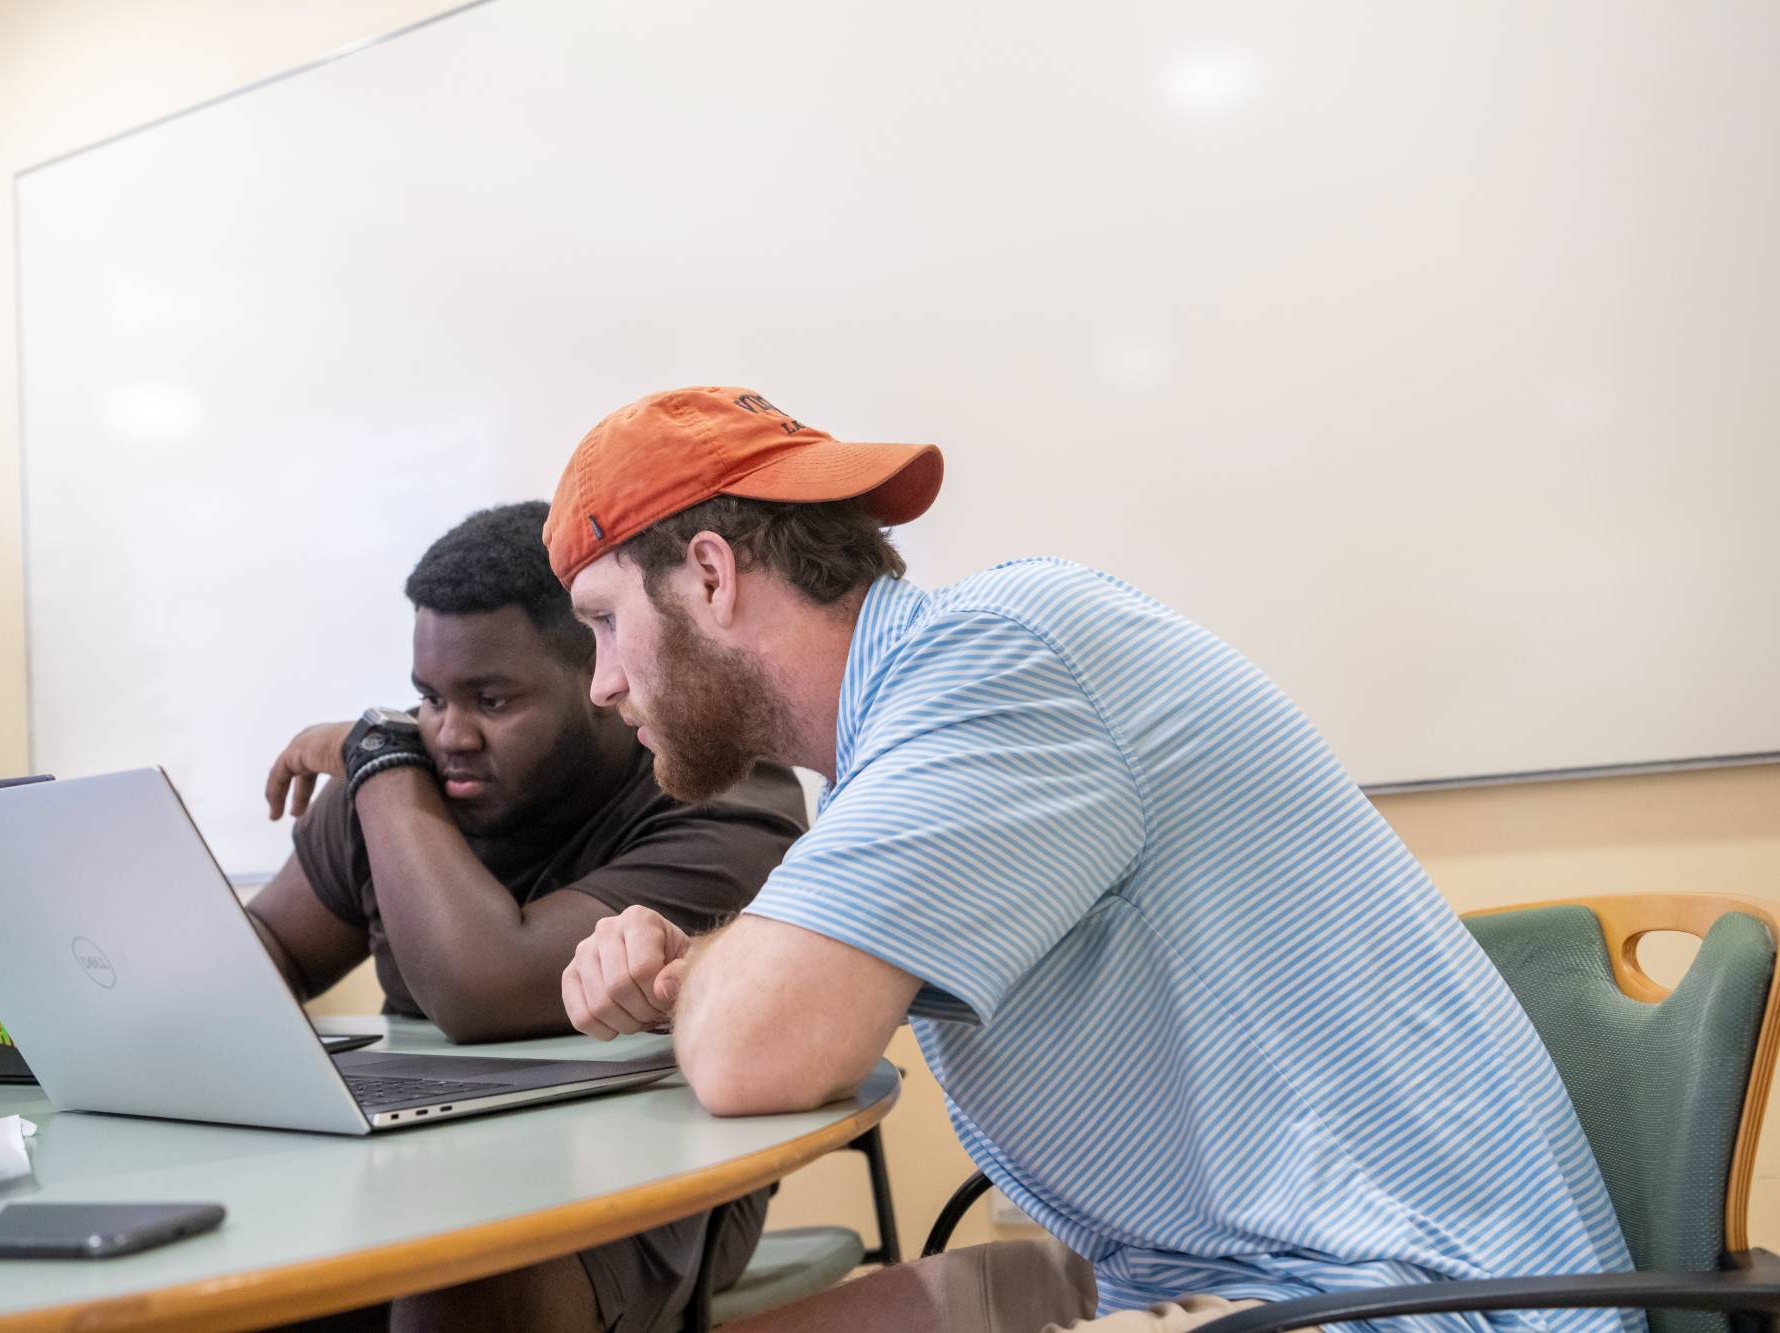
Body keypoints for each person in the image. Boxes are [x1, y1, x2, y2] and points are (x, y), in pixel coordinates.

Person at [546, 388, 1638, 1333]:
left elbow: (757, 1053)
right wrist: (702, 974)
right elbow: (778, 1002)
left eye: (602, 621)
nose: (598, 683)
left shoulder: (995, 666)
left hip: (1398, 1298)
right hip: (1224, 1275)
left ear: (706, 574)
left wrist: (707, 981)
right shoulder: (908, 734)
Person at [251, 500, 806, 1333]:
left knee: (469, 1267)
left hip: (650, 1180)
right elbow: (259, 952)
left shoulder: (723, 794)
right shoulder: (400, 783)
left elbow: (488, 988)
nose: (448, 735)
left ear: (601, 669)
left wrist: (378, 759)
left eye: (492, 699)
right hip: (408, 1163)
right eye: (428, 698)